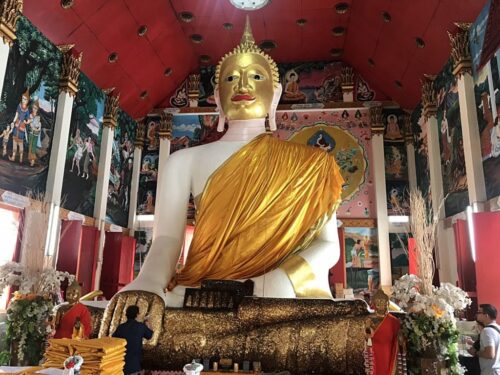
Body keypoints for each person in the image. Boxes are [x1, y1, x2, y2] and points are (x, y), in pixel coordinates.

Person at [120, 17, 343, 307]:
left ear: (275, 96)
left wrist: (284, 278)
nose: (243, 83)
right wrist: (148, 282)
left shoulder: (314, 165)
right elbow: (166, 241)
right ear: (217, 98)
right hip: (204, 290)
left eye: (256, 76)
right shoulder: (183, 160)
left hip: (276, 293)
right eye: (231, 78)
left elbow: (328, 247)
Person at [364, 289, 401, 374]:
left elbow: (398, 336)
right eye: (378, 304)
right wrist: (368, 331)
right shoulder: (370, 319)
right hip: (374, 350)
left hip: (388, 350)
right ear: (374, 304)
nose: (381, 306)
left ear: (387, 304)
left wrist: (401, 339)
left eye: (383, 304)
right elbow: (366, 336)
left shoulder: (393, 320)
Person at [112, 305, 153, 375]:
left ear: (126, 314)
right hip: (134, 364)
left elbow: (113, 340)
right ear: (137, 315)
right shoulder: (141, 326)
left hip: (120, 363)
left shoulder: (120, 327)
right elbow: (150, 335)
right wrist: (147, 322)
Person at [468, 304, 500, 374]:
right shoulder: (498, 328)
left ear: (486, 315)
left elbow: (490, 354)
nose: (477, 314)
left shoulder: (487, 330)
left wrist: (475, 352)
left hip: (490, 371)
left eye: (479, 312)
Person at [9, 89, 30, 163]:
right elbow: (16, 115)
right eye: (23, 98)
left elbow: (28, 120)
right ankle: (13, 157)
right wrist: (13, 121)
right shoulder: (19, 106)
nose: (23, 100)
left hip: (22, 127)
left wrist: (27, 122)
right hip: (17, 125)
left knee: (20, 143)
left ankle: (21, 158)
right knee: (14, 141)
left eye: (25, 99)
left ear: (27, 100)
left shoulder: (27, 110)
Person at [27, 99, 42, 167]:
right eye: (33, 107)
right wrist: (33, 127)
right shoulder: (30, 115)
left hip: (36, 134)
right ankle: (30, 159)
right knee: (30, 145)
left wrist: (38, 128)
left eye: (35, 108)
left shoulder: (38, 117)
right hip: (31, 133)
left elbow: (39, 126)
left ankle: (33, 160)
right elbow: (30, 124)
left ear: (37, 109)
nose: (34, 109)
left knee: (33, 146)